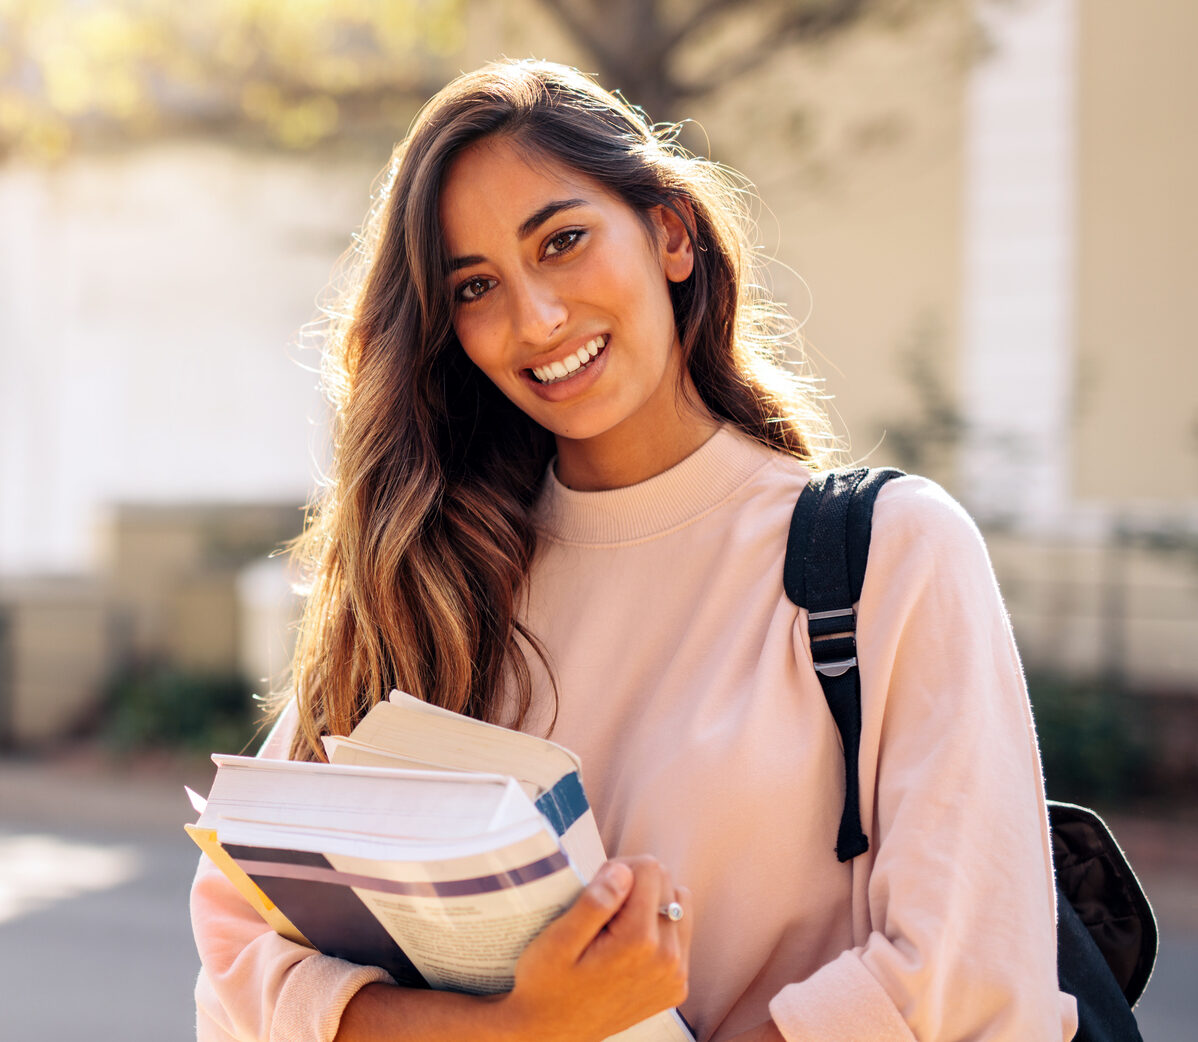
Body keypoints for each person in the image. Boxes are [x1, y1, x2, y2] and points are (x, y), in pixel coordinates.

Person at [191, 59, 1079, 1042]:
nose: (536, 319)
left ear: (668, 233)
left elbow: (966, 976)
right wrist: (524, 1029)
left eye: (563, 241)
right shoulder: (434, 576)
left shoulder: (888, 557)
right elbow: (243, 967)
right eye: (476, 286)